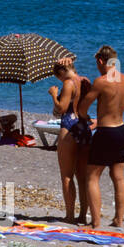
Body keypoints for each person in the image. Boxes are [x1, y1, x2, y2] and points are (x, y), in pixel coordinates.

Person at [77, 45, 124, 227]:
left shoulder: (101, 81)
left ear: (101, 61)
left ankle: (96, 221)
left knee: (92, 176)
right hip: (122, 130)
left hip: (106, 132)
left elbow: (83, 108)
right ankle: (118, 220)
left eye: (97, 64)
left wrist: (86, 118)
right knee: (118, 177)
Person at [47, 58, 90, 223]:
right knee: (83, 176)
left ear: (62, 72)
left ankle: (70, 215)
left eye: (59, 77)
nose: (60, 80)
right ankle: (83, 215)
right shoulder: (85, 81)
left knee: (67, 175)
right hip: (84, 127)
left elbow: (61, 109)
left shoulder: (68, 83)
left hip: (69, 127)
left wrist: (53, 96)